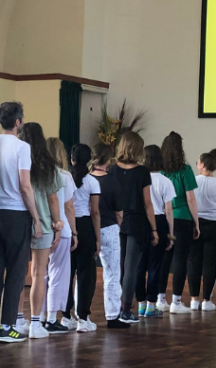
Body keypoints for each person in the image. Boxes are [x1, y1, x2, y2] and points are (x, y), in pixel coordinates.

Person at [0, 101, 40, 344]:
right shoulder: (22, 147)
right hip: (17, 213)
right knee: (16, 271)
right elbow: (25, 185)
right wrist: (36, 217)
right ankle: (8, 326)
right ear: (17, 122)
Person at [18, 122, 62, 339]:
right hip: (43, 224)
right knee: (39, 273)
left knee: (18, 274)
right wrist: (58, 223)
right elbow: (53, 198)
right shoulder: (48, 165)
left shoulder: (17, 160)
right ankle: (36, 323)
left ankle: (16, 320)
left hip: (19, 221)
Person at [109, 131, 157, 326]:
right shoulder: (142, 172)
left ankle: (114, 308)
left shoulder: (112, 169)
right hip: (136, 221)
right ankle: (126, 309)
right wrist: (154, 229)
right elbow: (147, 203)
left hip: (116, 220)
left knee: (118, 267)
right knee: (131, 268)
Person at [188, 149, 216, 311]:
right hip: (215, 226)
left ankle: (193, 299)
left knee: (193, 262)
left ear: (202, 165)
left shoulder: (192, 182)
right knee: (210, 264)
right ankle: (206, 300)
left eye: (198, 162)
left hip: (195, 224)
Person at [161, 131, 200, 314]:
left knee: (163, 260)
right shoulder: (185, 170)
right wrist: (196, 222)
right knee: (180, 260)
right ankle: (176, 301)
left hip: (163, 218)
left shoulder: (159, 171)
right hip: (183, 218)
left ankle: (160, 298)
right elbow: (191, 198)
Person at [43, 137, 77, 333]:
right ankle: (51, 318)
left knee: (41, 275)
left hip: (43, 229)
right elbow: (69, 207)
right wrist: (74, 232)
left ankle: (38, 317)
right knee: (58, 275)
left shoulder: (39, 174)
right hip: (61, 229)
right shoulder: (64, 175)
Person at [67, 143, 100, 332]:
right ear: (89, 161)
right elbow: (95, 212)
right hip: (86, 226)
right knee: (86, 274)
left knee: (67, 273)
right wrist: (97, 238)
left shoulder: (65, 178)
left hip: (68, 227)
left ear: (71, 158)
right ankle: (83, 318)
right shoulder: (92, 182)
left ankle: (65, 316)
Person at [89, 144, 121, 329]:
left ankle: (80, 315)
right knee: (112, 273)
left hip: (87, 229)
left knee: (84, 273)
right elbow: (119, 212)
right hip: (109, 228)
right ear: (108, 160)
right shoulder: (112, 181)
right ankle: (112, 315)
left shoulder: (85, 179)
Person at [142, 144, 175, 318]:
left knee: (140, 264)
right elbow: (168, 210)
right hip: (160, 221)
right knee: (155, 266)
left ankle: (139, 303)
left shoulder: (139, 178)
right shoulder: (165, 181)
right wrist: (170, 234)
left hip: (141, 221)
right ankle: (150, 304)